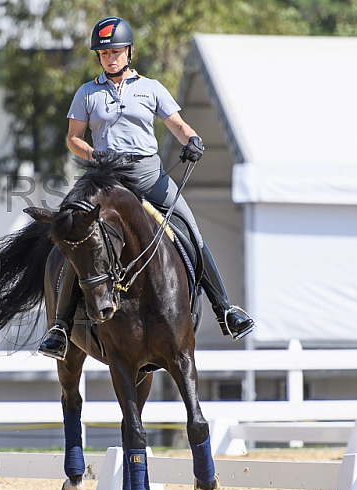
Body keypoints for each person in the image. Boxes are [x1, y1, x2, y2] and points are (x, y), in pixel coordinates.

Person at [38, 16, 255, 360]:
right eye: (104, 52)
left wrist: (193, 139)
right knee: (74, 234)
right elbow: (73, 139)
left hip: (148, 173)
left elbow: (178, 125)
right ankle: (61, 327)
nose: (110, 57)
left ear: (129, 52)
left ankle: (225, 308)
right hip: (106, 176)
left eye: (116, 51)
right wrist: (93, 155)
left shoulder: (151, 88)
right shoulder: (87, 93)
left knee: (189, 229)